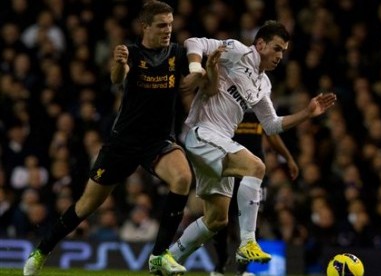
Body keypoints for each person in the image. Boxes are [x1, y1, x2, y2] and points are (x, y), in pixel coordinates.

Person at [23, 1, 201, 275]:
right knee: (85, 206)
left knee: (183, 178)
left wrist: (204, 72)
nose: (168, 30)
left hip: (158, 141)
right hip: (123, 143)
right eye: (161, 25)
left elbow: (190, 83)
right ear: (145, 26)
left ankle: (159, 255)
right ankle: (42, 251)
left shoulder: (177, 53)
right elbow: (118, 78)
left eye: (170, 24)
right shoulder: (130, 52)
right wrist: (119, 64)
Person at [167, 20, 337, 269]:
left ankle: (168, 258)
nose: (280, 56)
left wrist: (307, 113)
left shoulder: (263, 83)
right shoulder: (238, 51)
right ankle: (248, 242)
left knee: (216, 220)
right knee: (256, 166)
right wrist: (195, 69)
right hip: (203, 133)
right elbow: (194, 42)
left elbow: (271, 125)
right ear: (260, 44)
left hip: (220, 141)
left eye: (283, 51)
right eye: (277, 48)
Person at [210, 111, 300, 276]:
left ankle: (243, 270)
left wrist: (288, 158)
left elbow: (272, 135)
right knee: (220, 219)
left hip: (254, 173)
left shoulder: (259, 107)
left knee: (252, 218)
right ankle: (220, 263)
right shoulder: (227, 105)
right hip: (229, 170)